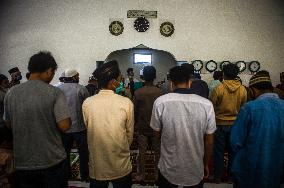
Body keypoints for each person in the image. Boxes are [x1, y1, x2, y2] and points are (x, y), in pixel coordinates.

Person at [3, 51, 71, 188]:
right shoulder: (54, 92)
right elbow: (64, 126)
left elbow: (9, 124)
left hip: (23, 162)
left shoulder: (11, 93)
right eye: (52, 73)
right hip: (51, 160)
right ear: (48, 71)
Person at [150, 66, 216, 188]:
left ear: (171, 83)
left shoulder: (161, 102)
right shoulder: (207, 105)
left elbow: (156, 133)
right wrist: (205, 164)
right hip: (195, 167)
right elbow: (209, 141)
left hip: (168, 167)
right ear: (190, 82)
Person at [82, 60, 134, 188]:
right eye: (119, 78)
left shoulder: (88, 103)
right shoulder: (126, 103)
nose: (121, 80)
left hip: (97, 163)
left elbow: (88, 127)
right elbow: (129, 135)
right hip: (120, 162)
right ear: (112, 82)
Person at [231, 73, 284, 188]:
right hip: (276, 168)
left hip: (249, 169)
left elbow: (235, 141)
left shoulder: (249, 108)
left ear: (253, 90)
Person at [210, 63, 247, 183]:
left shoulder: (219, 88)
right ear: (236, 74)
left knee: (218, 152)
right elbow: (243, 107)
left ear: (223, 74)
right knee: (233, 151)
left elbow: (212, 106)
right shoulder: (242, 89)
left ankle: (217, 177)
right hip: (235, 124)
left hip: (220, 124)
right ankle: (231, 177)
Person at [58, 68, 90, 181]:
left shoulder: (57, 89)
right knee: (83, 153)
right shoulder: (81, 89)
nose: (79, 78)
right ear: (73, 77)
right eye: (78, 76)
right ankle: (84, 175)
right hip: (79, 128)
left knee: (64, 153)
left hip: (63, 128)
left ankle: (66, 175)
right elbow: (87, 107)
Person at [133, 66, 163, 183]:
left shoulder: (138, 92)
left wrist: (135, 125)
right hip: (157, 128)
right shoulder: (160, 92)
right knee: (158, 152)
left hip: (143, 127)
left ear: (143, 77)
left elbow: (134, 111)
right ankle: (157, 175)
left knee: (142, 153)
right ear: (155, 77)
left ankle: (141, 175)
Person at [0, 74, 10, 144]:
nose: (8, 83)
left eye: (8, 81)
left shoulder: (6, 91)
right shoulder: (2, 94)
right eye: (5, 82)